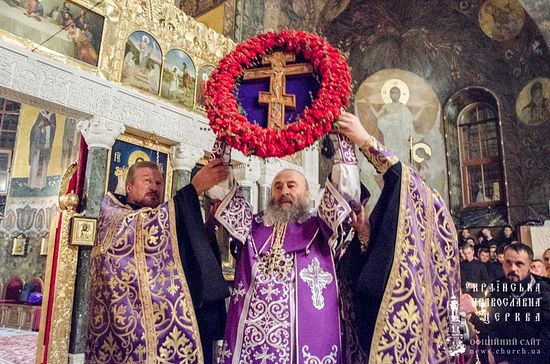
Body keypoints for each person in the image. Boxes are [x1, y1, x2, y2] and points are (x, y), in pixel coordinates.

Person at [209, 111, 460, 363]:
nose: (284, 191)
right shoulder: (250, 227)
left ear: (308, 196)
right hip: (250, 347)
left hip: (311, 346)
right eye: (278, 186)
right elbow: (219, 188)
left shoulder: (322, 227)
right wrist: (227, 132)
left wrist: (338, 130)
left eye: (292, 185)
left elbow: (346, 187)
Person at [86, 160, 230, 364]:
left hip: (184, 316)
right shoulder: (115, 214)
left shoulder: (166, 217)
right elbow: (145, 227)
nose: (154, 187)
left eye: (159, 183)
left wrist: (208, 227)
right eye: (147, 181)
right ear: (129, 187)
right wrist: (195, 187)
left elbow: (181, 252)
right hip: (133, 326)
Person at [469, 243, 550, 363]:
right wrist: (501, 358)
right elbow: (494, 328)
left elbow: (547, 335)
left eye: (519, 264)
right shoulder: (496, 289)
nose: (513, 268)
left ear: (529, 265)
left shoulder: (546, 290)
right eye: (508, 263)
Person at [369, 86, 425, 163]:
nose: (395, 95)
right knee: (391, 154)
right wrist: (369, 105)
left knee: (402, 155)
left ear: (400, 94)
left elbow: (413, 118)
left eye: (397, 92)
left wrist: (423, 108)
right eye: (393, 92)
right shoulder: (386, 106)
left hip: (401, 135)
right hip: (390, 134)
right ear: (389, 95)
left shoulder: (403, 107)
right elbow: (377, 116)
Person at [28, 110, 56, 189]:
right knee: (35, 165)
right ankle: (32, 185)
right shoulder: (40, 115)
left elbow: (53, 127)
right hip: (37, 148)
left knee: (44, 166)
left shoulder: (52, 116)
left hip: (46, 149)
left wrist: (48, 126)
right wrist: (40, 126)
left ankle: (41, 186)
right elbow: (35, 129)